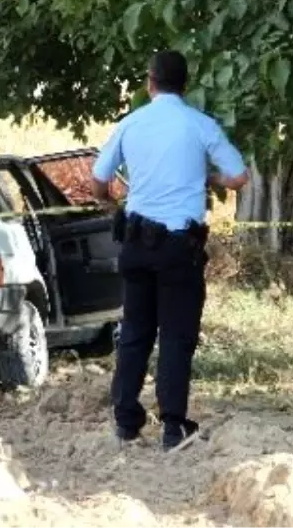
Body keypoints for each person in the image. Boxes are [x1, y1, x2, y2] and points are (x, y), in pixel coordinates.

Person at [90, 50, 249, 450]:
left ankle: (126, 421)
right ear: (186, 83)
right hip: (180, 249)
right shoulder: (200, 125)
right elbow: (239, 177)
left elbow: (98, 180)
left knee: (135, 334)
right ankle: (173, 426)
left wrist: (113, 206)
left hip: (137, 244)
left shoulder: (131, 123)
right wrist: (206, 174)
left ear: (150, 82)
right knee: (176, 336)